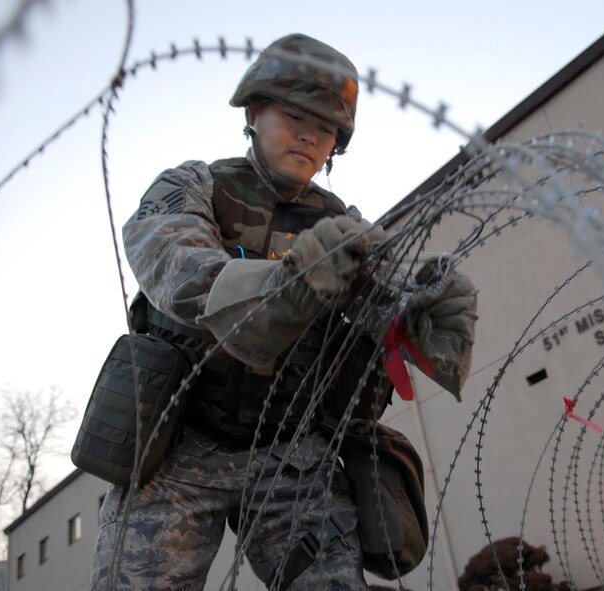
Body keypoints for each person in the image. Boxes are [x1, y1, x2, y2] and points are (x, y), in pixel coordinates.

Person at [90, 33, 477, 590]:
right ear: (254, 112)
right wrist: (283, 284)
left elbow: (393, 312)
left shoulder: (346, 230)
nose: (308, 135)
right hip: (179, 450)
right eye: (294, 115)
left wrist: (427, 312)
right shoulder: (193, 187)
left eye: (325, 127)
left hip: (289, 459)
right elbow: (177, 268)